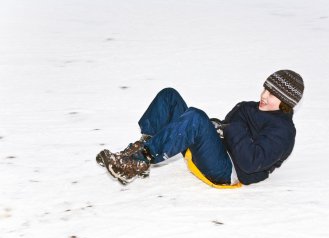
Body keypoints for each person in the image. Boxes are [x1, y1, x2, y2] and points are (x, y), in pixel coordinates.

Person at [96, 70, 304, 186]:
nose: (264, 96)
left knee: (195, 117)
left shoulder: (283, 131)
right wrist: (216, 126)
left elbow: (250, 163)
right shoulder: (250, 107)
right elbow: (227, 126)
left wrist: (229, 129)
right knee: (169, 96)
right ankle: (139, 150)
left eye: (272, 94)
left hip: (228, 170)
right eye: (265, 89)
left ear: (286, 102)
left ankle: (140, 161)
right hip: (217, 151)